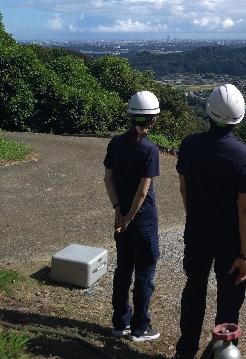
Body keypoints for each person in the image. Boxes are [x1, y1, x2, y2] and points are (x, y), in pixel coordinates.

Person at [172, 84, 246, 359]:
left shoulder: (189, 145)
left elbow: (184, 188)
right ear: (239, 118)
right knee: (228, 303)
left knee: (194, 290)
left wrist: (195, 216)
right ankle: (222, 353)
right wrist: (245, 254)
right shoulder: (244, 156)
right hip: (230, 241)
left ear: (208, 112)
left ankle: (185, 351)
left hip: (197, 233)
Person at [103, 90, 161, 342]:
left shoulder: (115, 143)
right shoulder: (150, 150)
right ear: (153, 120)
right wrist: (129, 217)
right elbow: (143, 191)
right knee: (145, 274)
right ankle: (139, 328)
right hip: (143, 220)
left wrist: (118, 210)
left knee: (123, 269)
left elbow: (108, 179)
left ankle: (120, 323)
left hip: (121, 219)